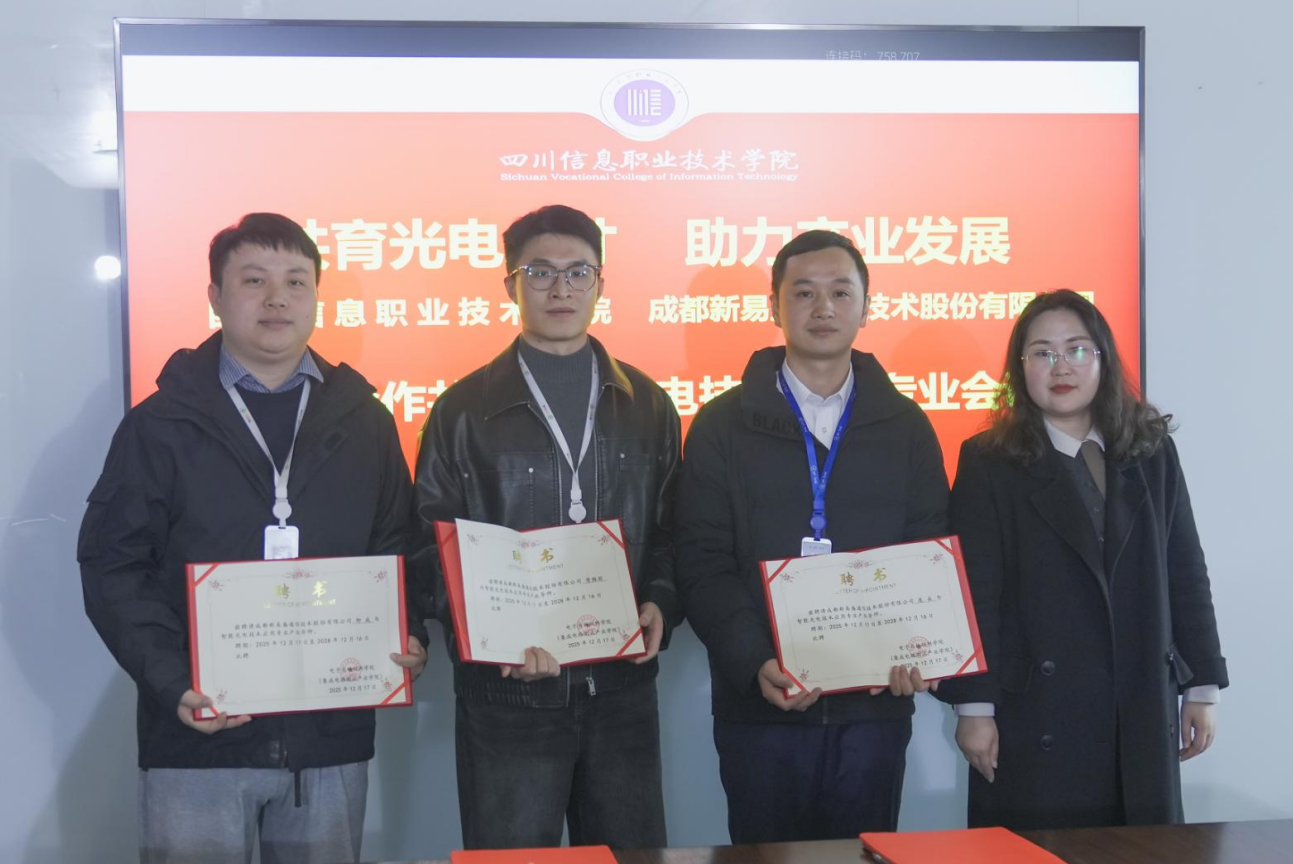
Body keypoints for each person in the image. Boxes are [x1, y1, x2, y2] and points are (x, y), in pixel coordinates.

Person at [78, 212, 428, 864]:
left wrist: (408, 632)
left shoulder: (366, 421)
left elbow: (398, 547)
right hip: (199, 734)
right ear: (215, 296)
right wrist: (174, 681)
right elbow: (113, 565)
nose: (277, 298)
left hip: (329, 737)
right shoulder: (160, 424)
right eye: (254, 280)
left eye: (296, 281)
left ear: (316, 297)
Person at [410, 204, 681, 850]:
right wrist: (493, 637)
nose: (560, 288)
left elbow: (676, 529)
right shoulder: (460, 411)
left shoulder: (648, 405)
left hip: (621, 691)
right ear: (510, 285)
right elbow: (427, 546)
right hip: (507, 700)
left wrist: (661, 602)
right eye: (539, 272)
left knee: (630, 857)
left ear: (600, 284)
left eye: (577, 272)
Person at [675, 229, 949, 843]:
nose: (823, 307)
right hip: (761, 708)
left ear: (866, 307)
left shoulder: (906, 427)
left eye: (840, 292)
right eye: (803, 292)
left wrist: (920, 649)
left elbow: (929, 553)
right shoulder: (721, 425)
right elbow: (702, 561)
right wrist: (755, 661)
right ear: (774, 307)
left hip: (874, 709)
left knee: (865, 854)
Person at [941, 289, 1228, 830]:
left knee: (1142, 851)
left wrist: (1203, 685)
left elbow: (1185, 569)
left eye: (1077, 349)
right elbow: (974, 590)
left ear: (1103, 358)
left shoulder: (1150, 450)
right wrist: (973, 707)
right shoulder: (988, 461)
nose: (1061, 367)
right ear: (1020, 367)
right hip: (1035, 708)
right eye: (1042, 353)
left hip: (1140, 701)